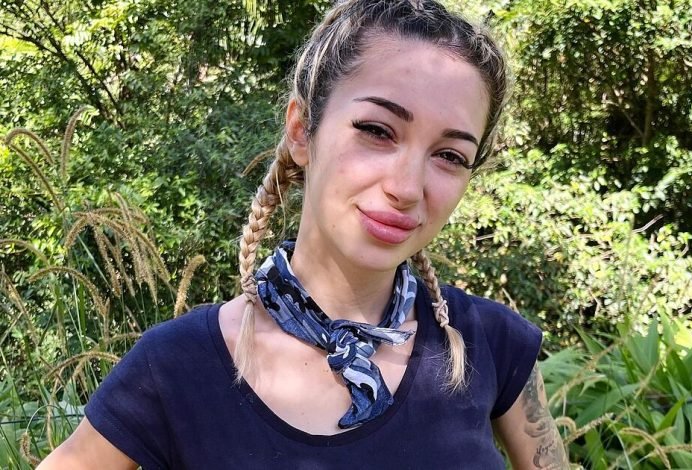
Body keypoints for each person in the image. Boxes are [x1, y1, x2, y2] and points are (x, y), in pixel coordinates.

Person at [38, 0, 567, 468]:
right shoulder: (175, 366)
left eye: (449, 156)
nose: (407, 187)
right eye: (376, 130)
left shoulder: (491, 345)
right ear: (300, 131)